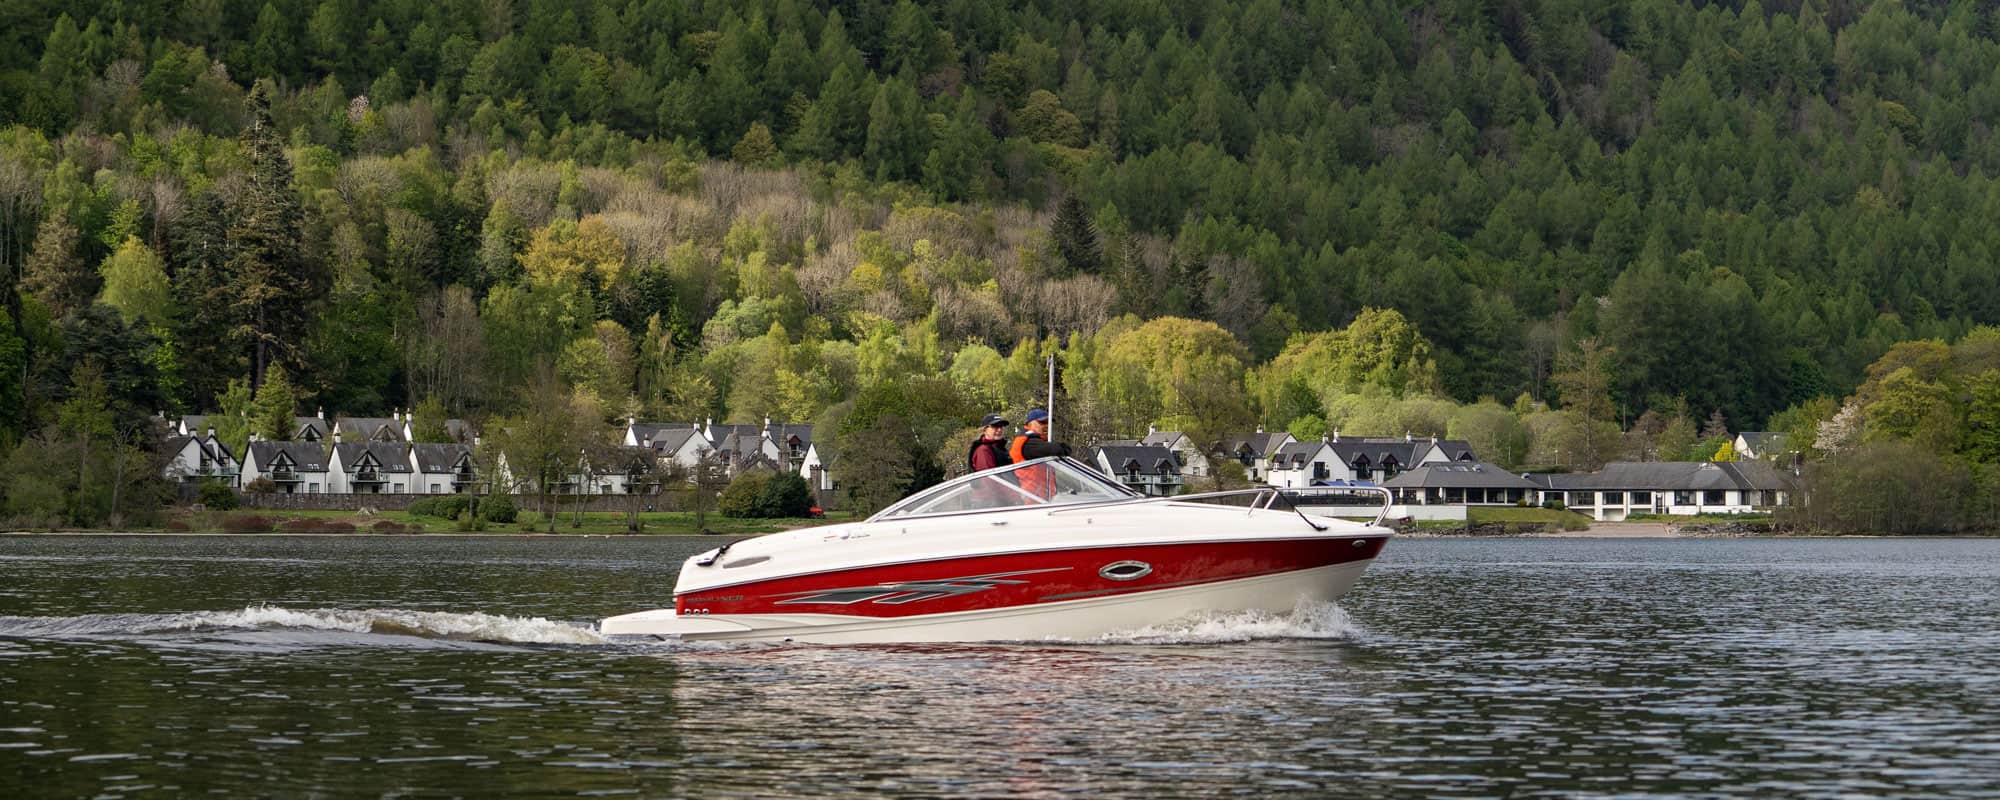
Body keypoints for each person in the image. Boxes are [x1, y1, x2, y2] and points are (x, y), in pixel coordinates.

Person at [1008, 409, 1071, 500]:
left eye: (1048, 422)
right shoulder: (1029, 443)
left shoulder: (1038, 440)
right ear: (1030, 424)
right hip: (1030, 499)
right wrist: (1063, 447)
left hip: (1041, 497)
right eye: (1042, 422)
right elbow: (1057, 450)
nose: (1046, 425)